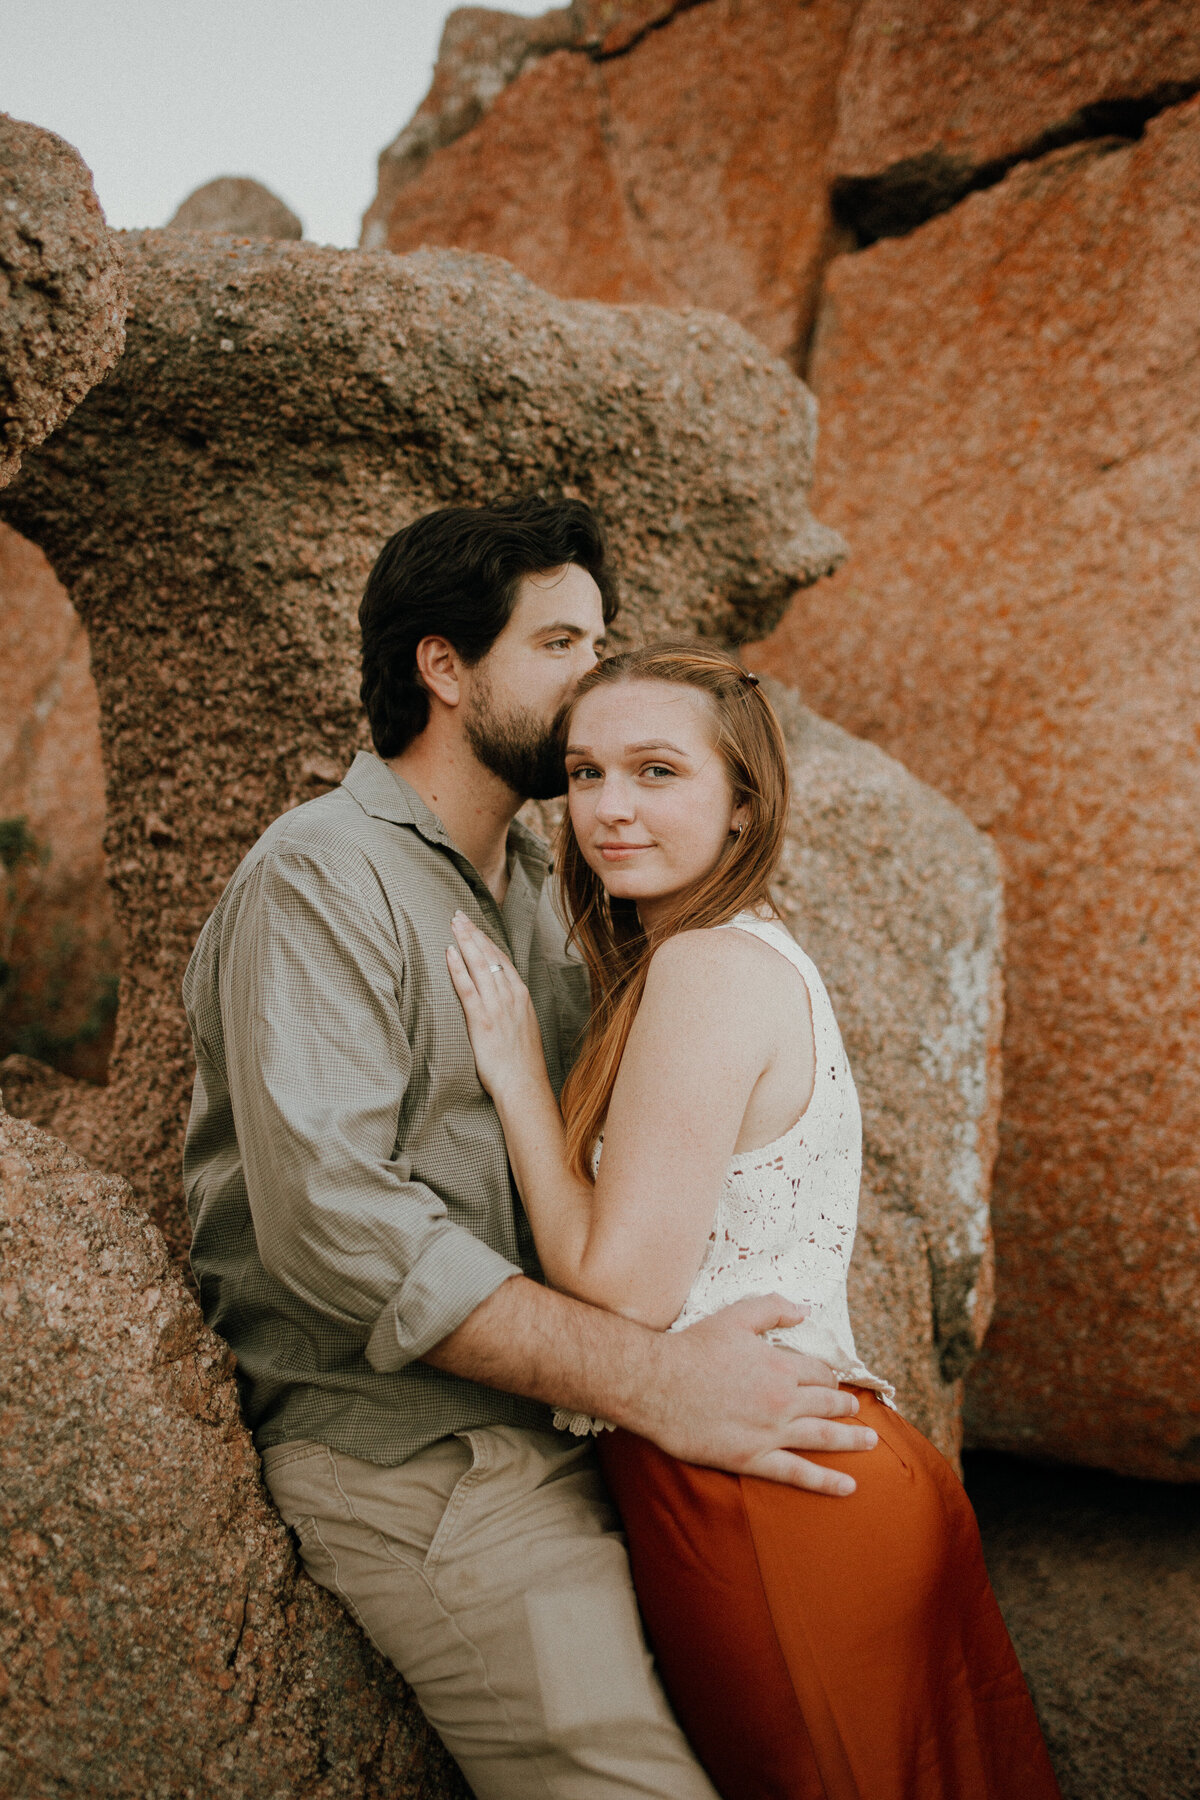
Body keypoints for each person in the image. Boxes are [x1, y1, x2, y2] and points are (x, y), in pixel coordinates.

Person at [182, 497, 876, 1800]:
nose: (595, 677)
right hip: (429, 1467)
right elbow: (339, 1228)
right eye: (560, 643)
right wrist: (652, 1381)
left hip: (578, 1442)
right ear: (445, 669)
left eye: (600, 642)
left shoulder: (547, 901)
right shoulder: (319, 878)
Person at [445, 640, 1063, 1800]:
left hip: (769, 1493)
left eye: (657, 772)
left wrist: (518, 1073)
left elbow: (624, 1290)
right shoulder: (720, 958)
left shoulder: (708, 971)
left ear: (743, 805)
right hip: (799, 1463)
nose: (609, 809)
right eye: (583, 775)